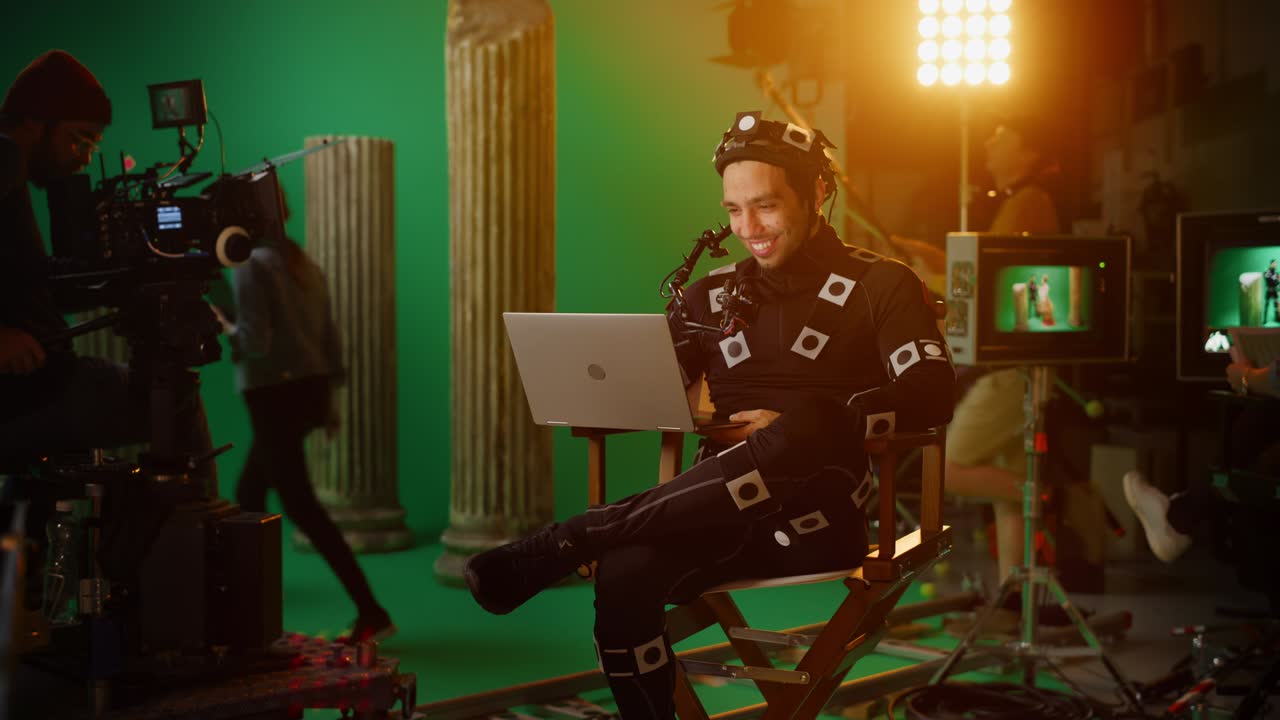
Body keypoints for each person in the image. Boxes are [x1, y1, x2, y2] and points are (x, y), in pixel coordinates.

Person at [463, 111, 955, 718]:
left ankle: (575, 536)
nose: (749, 227)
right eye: (733, 210)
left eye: (767, 206)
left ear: (819, 192)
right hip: (708, 515)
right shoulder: (709, 295)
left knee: (816, 419)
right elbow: (655, 387)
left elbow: (930, 391)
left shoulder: (884, 283)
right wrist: (614, 384)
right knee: (624, 573)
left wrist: (814, 422)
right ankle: (598, 549)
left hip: (817, 523)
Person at [209, 192, 395, 644]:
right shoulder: (305, 265)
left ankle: (371, 612)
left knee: (301, 508)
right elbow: (330, 341)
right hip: (307, 395)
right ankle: (247, 610)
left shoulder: (251, 265)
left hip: (274, 396)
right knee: (250, 493)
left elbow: (253, 342)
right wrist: (328, 404)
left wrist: (220, 323)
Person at [944, 117, 1062, 618]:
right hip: (1022, 367)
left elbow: (991, 280)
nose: (990, 144)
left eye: (1003, 136)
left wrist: (927, 268)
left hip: (1014, 368)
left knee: (945, 471)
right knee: (1006, 497)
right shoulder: (1022, 201)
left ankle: (1042, 491)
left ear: (1031, 151)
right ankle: (1016, 600)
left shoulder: (1028, 202)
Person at [1264, 260, 1279, 324]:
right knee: (1266, 305)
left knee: (1276, 305)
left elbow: (1278, 282)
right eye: (1273, 263)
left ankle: (1277, 318)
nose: (1274, 265)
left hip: (1275, 291)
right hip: (1269, 291)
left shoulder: (1276, 273)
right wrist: (1275, 280)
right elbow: (1269, 280)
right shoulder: (1267, 272)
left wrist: (1278, 290)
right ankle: (1265, 319)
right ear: (1271, 264)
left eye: (1275, 263)